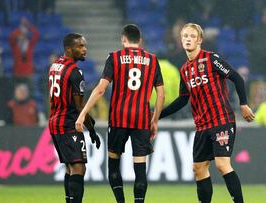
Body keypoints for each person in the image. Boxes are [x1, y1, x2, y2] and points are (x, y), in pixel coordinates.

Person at [159, 23, 254, 203]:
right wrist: (157, 115)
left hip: (221, 120)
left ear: (200, 40)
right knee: (198, 168)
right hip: (202, 125)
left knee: (221, 163)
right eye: (185, 36)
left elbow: (236, 77)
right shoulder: (184, 69)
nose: (188, 39)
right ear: (181, 40)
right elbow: (182, 99)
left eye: (192, 36)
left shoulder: (211, 59)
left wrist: (243, 104)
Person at [75, 24, 165, 203]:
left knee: (114, 165)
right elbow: (161, 94)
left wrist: (83, 113)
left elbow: (101, 89)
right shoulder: (152, 60)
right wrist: (154, 120)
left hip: (118, 119)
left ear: (123, 39)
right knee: (140, 167)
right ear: (139, 40)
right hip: (141, 120)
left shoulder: (114, 58)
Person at [48, 33, 100, 203]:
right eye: (80, 46)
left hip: (55, 122)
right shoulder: (75, 72)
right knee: (79, 167)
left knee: (70, 167)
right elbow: (79, 108)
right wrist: (91, 130)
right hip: (68, 123)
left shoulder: (55, 66)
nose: (84, 50)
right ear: (68, 49)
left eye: (85, 46)